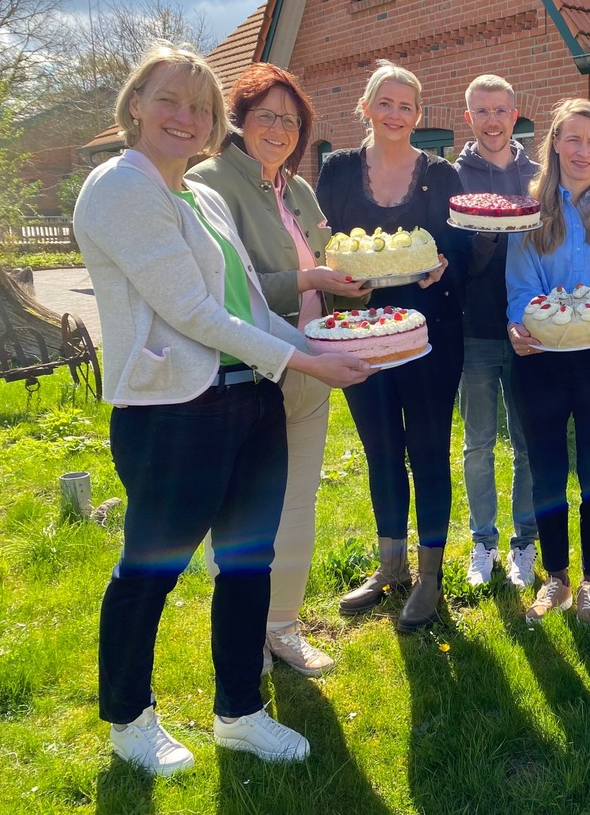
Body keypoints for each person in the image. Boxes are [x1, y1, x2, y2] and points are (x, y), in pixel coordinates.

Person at [73, 42, 371, 775]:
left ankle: (240, 711)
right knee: (151, 568)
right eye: (169, 99)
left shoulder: (200, 197)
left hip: (252, 402)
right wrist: (306, 360)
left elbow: (243, 305)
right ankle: (129, 718)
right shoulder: (119, 189)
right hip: (176, 412)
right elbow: (192, 310)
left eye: (199, 107)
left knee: (247, 563)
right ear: (135, 103)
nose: (185, 116)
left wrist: (312, 352)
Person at [187, 63, 369, 677]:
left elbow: (328, 256)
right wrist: (307, 278)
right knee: (243, 509)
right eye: (266, 114)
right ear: (239, 117)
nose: (278, 128)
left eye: (290, 120)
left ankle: (283, 626)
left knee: (297, 502)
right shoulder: (210, 184)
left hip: (310, 366)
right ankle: (244, 637)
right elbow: (222, 288)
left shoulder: (298, 188)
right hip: (247, 371)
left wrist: (353, 281)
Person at [316, 61, 467, 631]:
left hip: (430, 335)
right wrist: (334, 280)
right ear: (366, 107)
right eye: (386, 102)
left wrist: (442, 269)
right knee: (380, 447)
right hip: (360, 332)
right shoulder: (336, 171)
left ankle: (430, 575)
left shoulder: (441, 175)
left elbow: (458, 251)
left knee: (427, 448)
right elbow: (324, 244)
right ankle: (390, 567)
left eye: (407, 106)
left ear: (419, 115)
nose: (396, 114)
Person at [506, 98, 590, 625]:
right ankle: (556, 578)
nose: (583, 151)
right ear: (555, 143)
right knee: (545, 471)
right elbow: (519, 287)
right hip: (538, 359)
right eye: (574, 139)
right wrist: (520, 324)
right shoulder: (530, 204)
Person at [454, 75, 540, 589]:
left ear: (515, 115)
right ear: (469, 118)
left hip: (532, 329)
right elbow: (451, 256)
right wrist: (483, 241)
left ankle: (524, 543)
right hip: (478, 329)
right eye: (481, 111)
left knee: (529, 441)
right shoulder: (453, 176)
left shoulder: (537, 174)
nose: (492, 120)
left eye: (501, 110)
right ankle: (483, 541)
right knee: (479, 442)